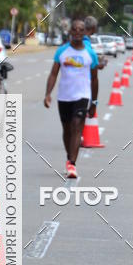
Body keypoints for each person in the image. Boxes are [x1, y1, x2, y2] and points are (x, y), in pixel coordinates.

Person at [44, 17, 99, 178]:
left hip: (83, 96)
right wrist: (48, 94)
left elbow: (95, 79)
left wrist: (94, 102)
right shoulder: (62, 51)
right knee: (67, 130)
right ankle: (69, 157)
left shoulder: (90, 53)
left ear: (85, 33)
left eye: (81, 30)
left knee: (77, 126)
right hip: (64, 97)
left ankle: (72, 164)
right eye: (74, 29)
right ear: (70, 32)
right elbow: (53, 74)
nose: (77, 32)